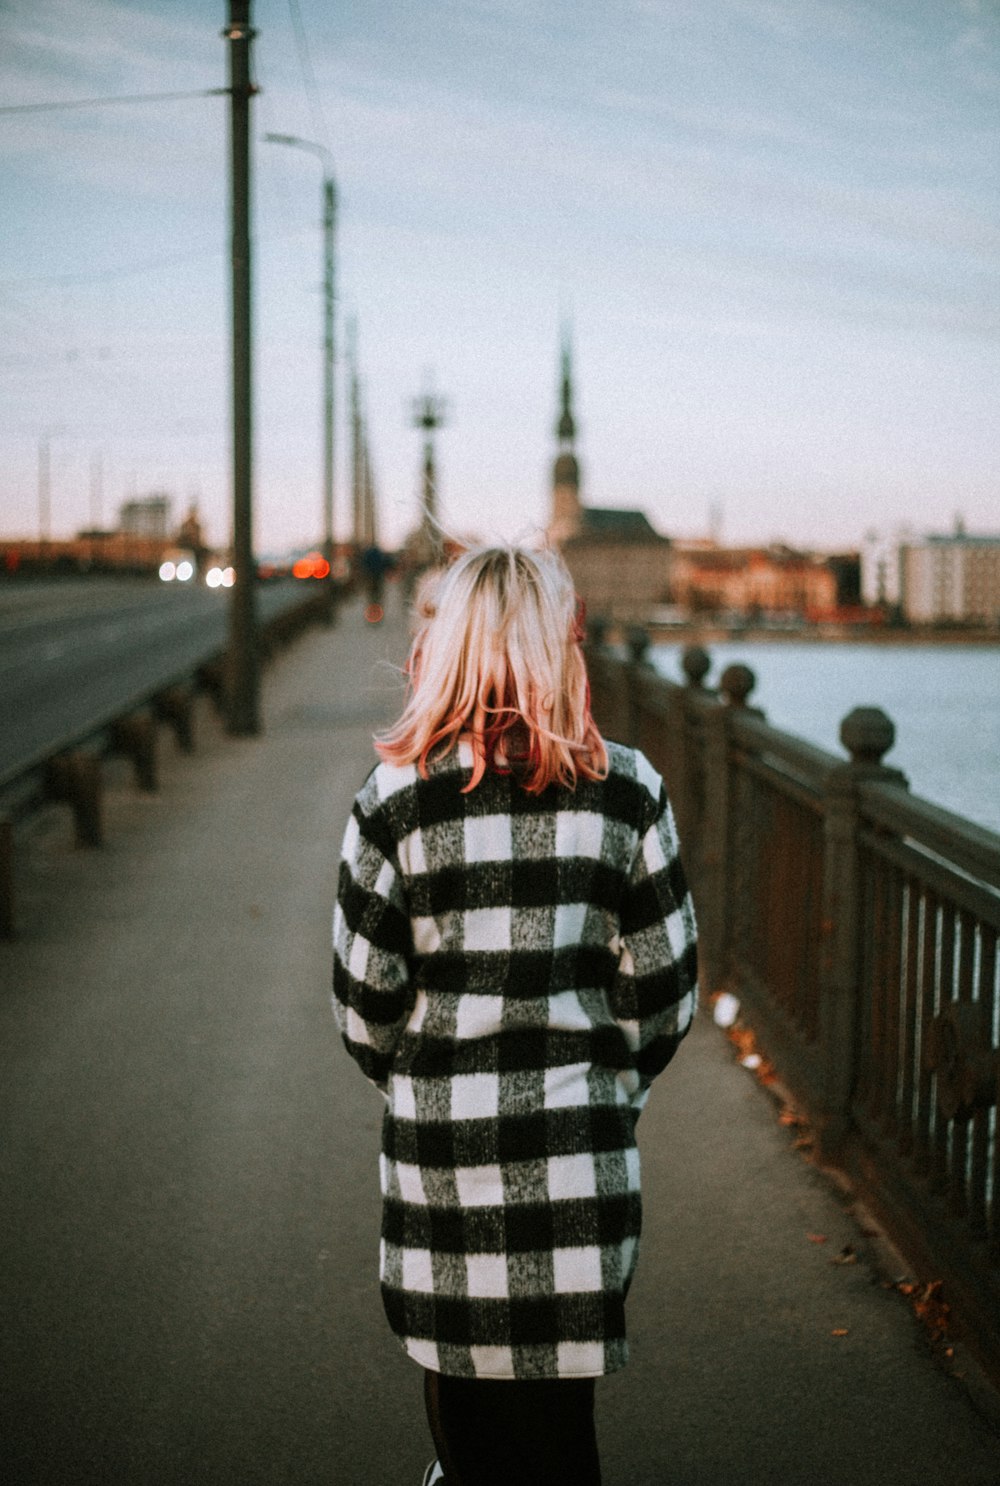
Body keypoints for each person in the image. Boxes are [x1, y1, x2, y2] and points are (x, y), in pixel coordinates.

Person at [332, 543, 698, 1486]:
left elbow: (365, 1007)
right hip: (579, 1163)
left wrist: (429, 1075)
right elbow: (664, 994)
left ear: (444, 645)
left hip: (445, 1169)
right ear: (560, 644)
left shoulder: (395, 803)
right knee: (559, 1431)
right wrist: (606, 1080)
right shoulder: (627, 790)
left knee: (468, 1418)